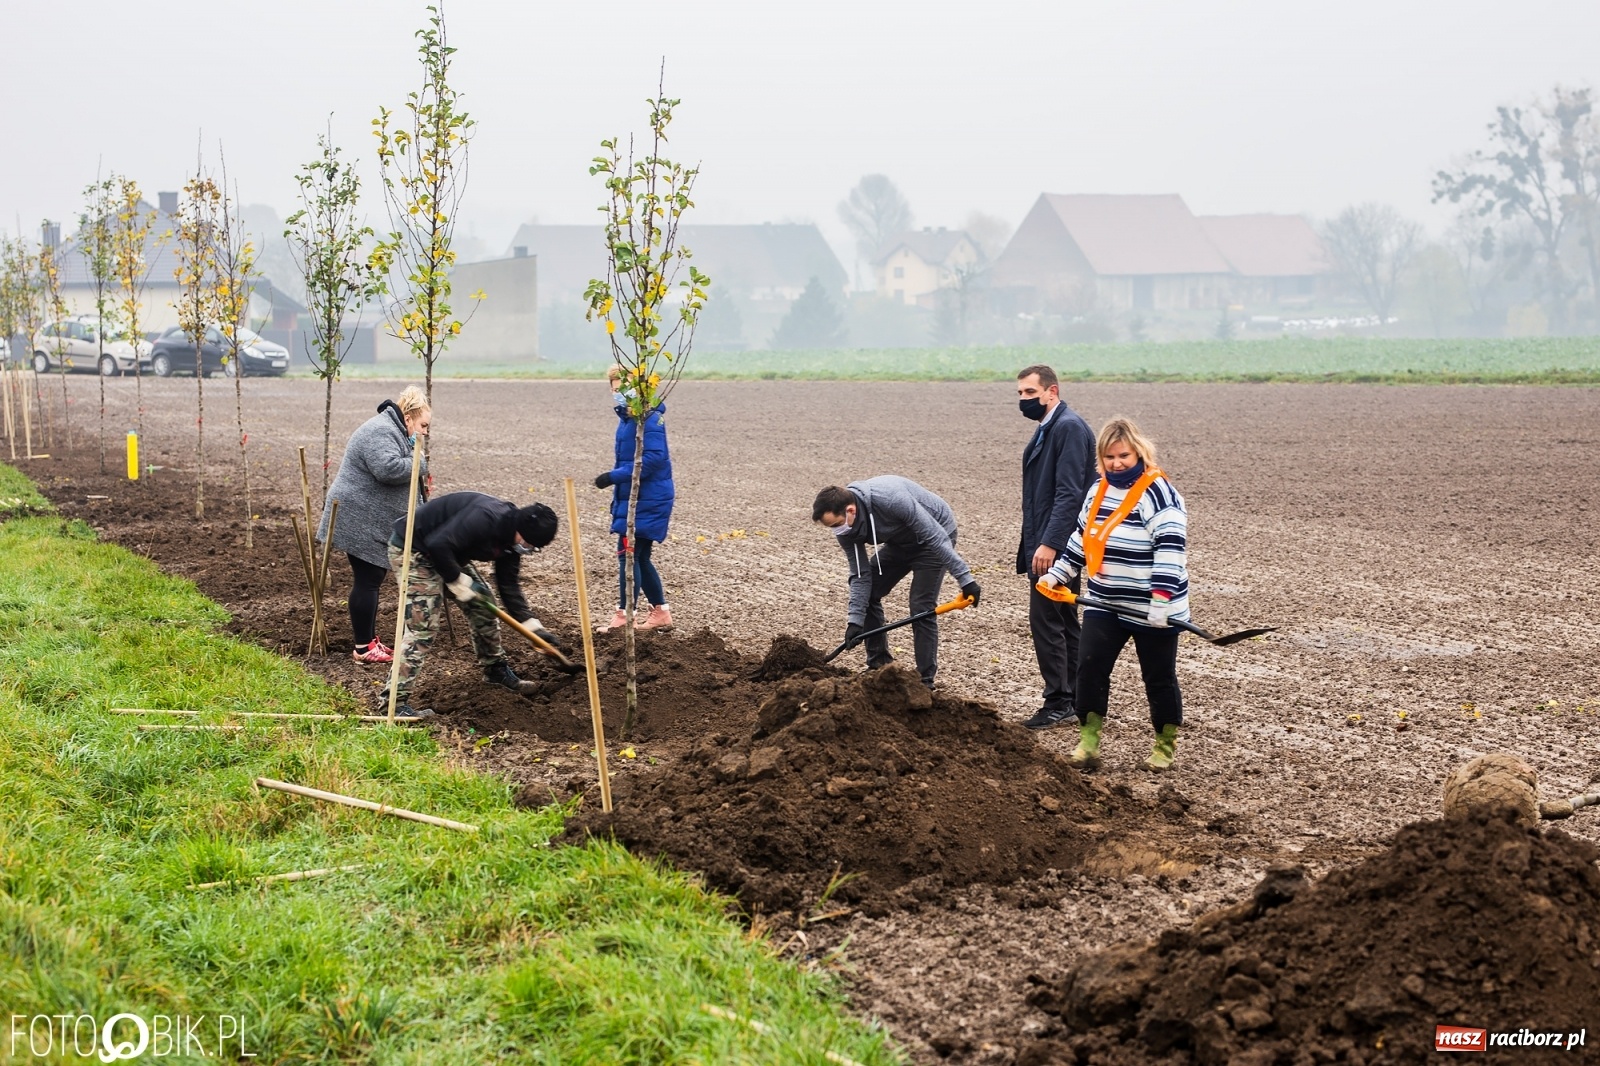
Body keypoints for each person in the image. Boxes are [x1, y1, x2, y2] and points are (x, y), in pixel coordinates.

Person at [1040, 418, 1189, 771]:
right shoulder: (1099, 490)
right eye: (1109, 457)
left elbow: (1170, 549)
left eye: (1123, 455)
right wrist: (1060, 573)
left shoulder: (1160, 494)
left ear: (1139, 452)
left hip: (1155, 606)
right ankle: (1088, 743)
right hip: (1105, 600)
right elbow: (1083, 536)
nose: (1116, 463)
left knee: (1158, 677)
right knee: (1089, 670)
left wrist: (1161, 599)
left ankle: (1164, 745)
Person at [382, 491, 561, 720]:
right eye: (527, 542)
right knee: (423, 628)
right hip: (414, 548)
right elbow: (438, 544)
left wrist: (534, 628)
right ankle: (393, 704)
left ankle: (495, 670)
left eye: (533, 547)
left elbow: (509, 587)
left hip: (446, 552)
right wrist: (458, 582)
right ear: (520, 529)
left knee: (483, 604)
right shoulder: (486, 519)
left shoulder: (511, 543)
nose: (527, 548)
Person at [812, 477, 982, 688]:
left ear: (850, 511)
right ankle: (879, 665)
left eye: (836, 525)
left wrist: (966, 579)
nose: (837, 531)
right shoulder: (845, 529)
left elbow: (936, 538)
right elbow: (860, 575)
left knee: (921, 607)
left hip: (935, 536)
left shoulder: (892, 499)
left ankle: (924, 681)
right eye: (832, 528)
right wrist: (855, 621)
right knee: (870, 592)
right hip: (900, 542)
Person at [317, 386, 431, 665]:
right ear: (408, 418)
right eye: (423, 425)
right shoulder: (380, 431)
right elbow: (388, 469)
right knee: (368, 580)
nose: (426, 432)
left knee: (372, 579)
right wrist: (421, 460)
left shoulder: (393, 429)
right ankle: (364, 648)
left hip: (366, 518)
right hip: (356, 518)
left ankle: (368, 641)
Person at [1015, 364, 1098, 730]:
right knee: (1063, 620)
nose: (1024, 400)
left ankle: (1059, 701)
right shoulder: (1049, 428)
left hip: (1058, 546)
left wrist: (1050, 544)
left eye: (1030, 393)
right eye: (1019, 394)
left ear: (1052, 391)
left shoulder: (1067, 428)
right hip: (1047, 540)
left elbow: (1070, 494)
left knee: (1047, 621)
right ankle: (1079, 698)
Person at [594, 365, 675, 633]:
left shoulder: (649, 419)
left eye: (625, 390)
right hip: (636, 496)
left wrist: (614, 476)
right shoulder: (627, 420)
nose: (620, 395)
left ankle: (623, 617)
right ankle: (660, 612)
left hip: (649, 497)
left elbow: (652, 459)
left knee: (627, 556)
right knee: (639, 556)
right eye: (616, 390)